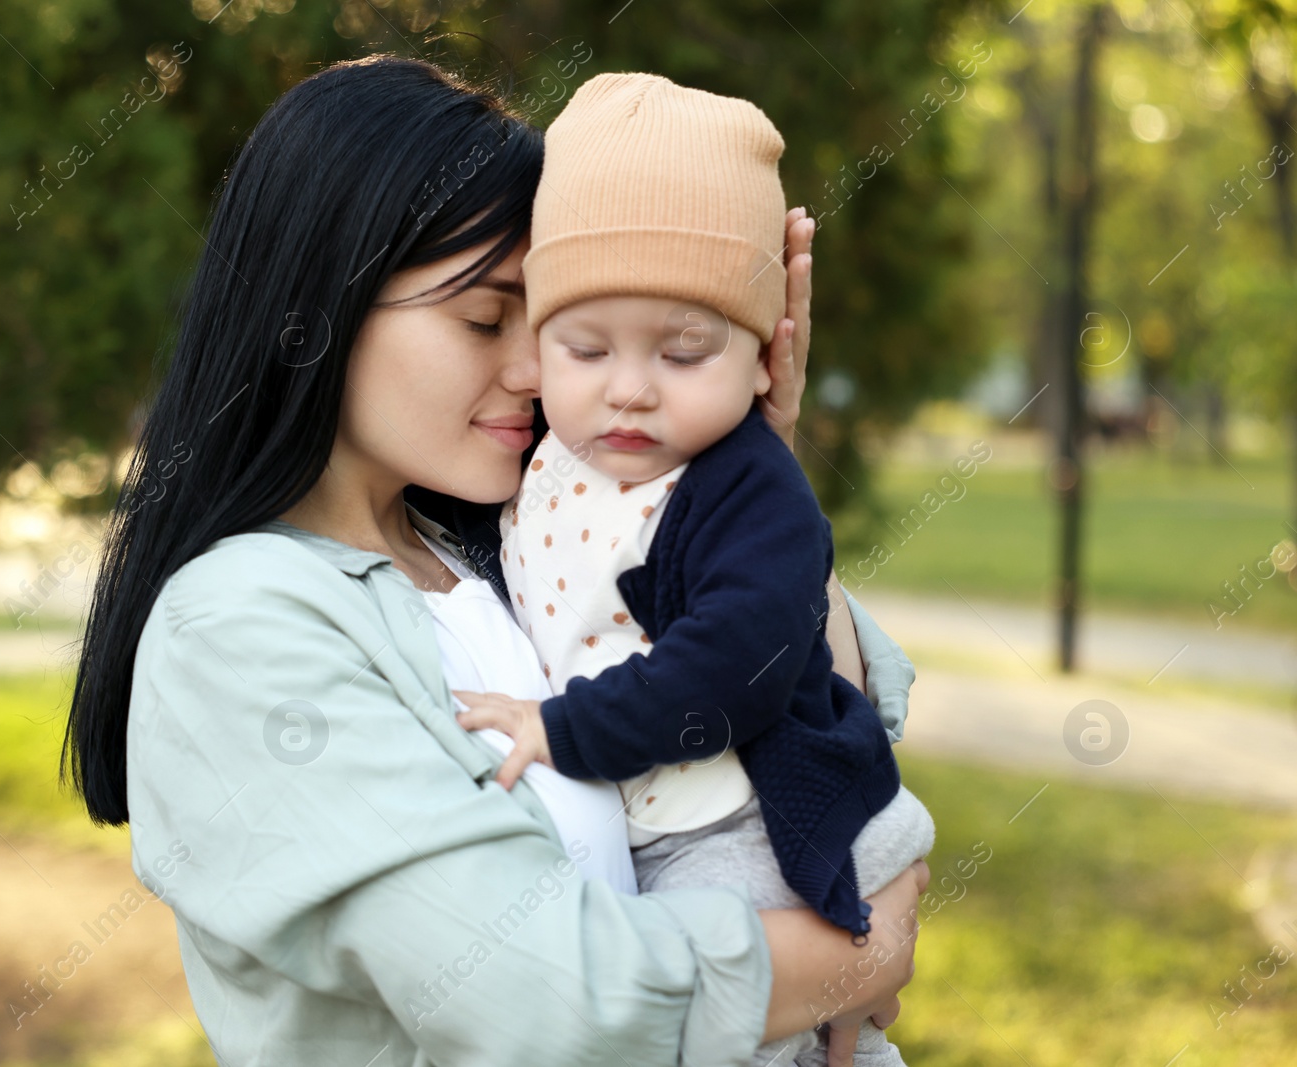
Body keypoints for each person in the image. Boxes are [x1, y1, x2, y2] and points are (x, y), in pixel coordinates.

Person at [63, 54, 928, 1067]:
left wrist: (751, 465)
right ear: (316, 311)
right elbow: (553, 1000)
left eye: (549, 321)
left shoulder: (512, 547)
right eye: (484, 316)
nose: (533, 370)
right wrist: (859, 951)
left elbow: (829, 710)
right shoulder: (238, 630)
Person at [449, 73, 935, 1067]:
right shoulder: (549, 450)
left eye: (684, 351)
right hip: (664, 823)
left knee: (714, 1030)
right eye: (584, 346)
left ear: (762, 359)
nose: (628, 388)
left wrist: (561, 728)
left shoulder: (744, 485)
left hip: (747, 816)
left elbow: (737, 660)